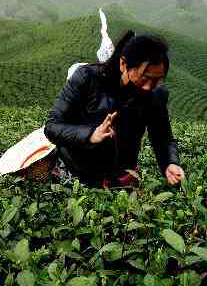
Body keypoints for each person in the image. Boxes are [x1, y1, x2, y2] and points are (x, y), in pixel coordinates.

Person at [44, 30, 185, 188]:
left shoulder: (155, 94)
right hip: (76, 174)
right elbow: (52, 126)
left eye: (157, 79)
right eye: (145, 78)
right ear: (123, 64)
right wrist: (90, 134)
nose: (148, 87)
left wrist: (170, 163)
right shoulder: (87, 78)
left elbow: (162, 136)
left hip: (122, 178)